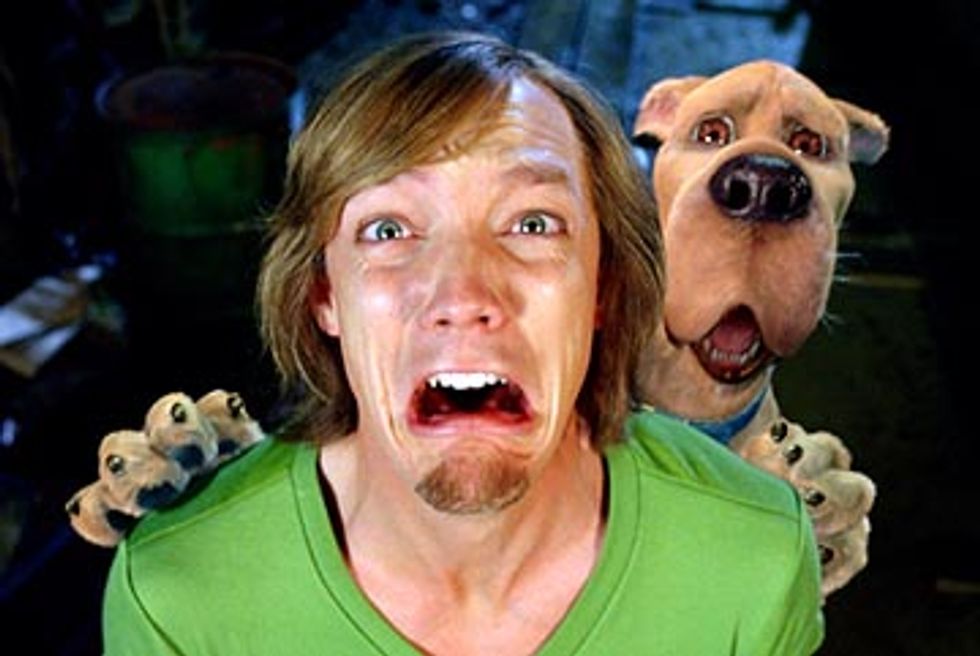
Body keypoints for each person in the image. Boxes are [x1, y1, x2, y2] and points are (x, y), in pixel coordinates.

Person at [102, 31, 824, 655]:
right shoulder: (179, 598)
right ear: (325, 296)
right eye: (389, 230)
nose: (463, 297)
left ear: (604, 284)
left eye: (532, 224)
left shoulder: (755, 559)